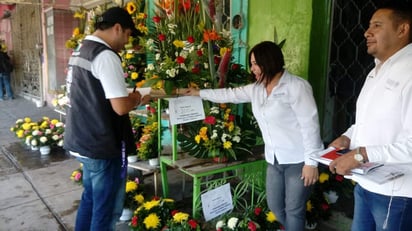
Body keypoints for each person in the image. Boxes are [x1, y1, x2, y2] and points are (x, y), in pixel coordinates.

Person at [182, 41, 324, 230]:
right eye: (251, 64)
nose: (253, 68)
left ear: (270, 61)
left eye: (256, 63)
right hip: (274, 159)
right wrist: (199, 93)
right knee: (275, 206)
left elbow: (310, 125)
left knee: (294, 209)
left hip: (298, 160)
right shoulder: (256, 88)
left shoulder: (296, 87)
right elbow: (229, 94)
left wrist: (311, 163)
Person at [63, 7, 150, 231]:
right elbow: (120, 106)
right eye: (128, 35)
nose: (127, 42)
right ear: (117, 28)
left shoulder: (82, 48)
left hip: (81, 138)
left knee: (91, 199)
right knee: (106, 208)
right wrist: (138, 97)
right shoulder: (105, 55)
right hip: (100, 144)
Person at [328, 2, 412, 231]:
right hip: (366, 184)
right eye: (368, 26)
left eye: (377, 25)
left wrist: (360, 155)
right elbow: (367, 119)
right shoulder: (376, 70)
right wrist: (347, 136)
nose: (367, 32)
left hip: (397, 195)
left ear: (402, 30)